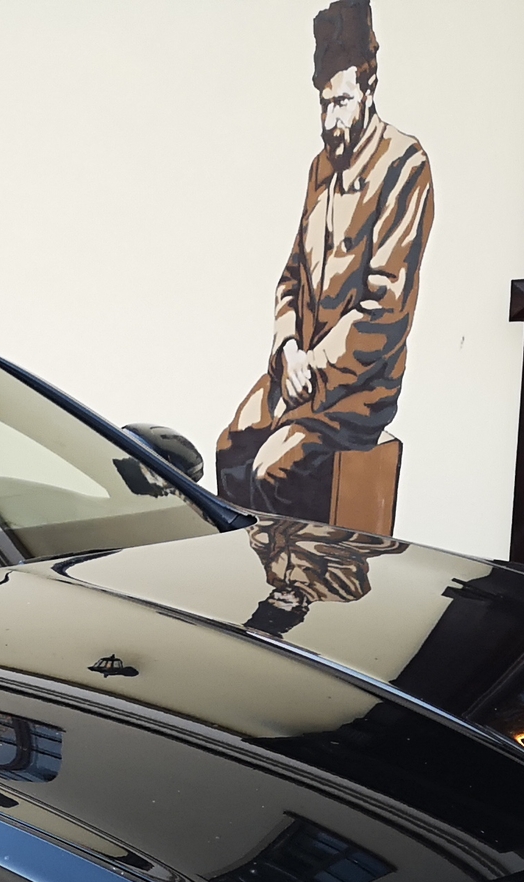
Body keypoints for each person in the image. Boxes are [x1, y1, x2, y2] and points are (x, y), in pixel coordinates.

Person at [214, 0, 434, 530]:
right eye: (323, 104)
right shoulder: (320, 170)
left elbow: (385, 309)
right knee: (230, 448)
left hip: (358, 390)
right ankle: (248, 577)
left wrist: (312, 368)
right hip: (296, 372)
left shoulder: (406, 165)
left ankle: (292, 593)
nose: (330, 120)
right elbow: (291, 276)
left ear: (369, 88)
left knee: (273, 469)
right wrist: (286, 349)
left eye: (341, 102)